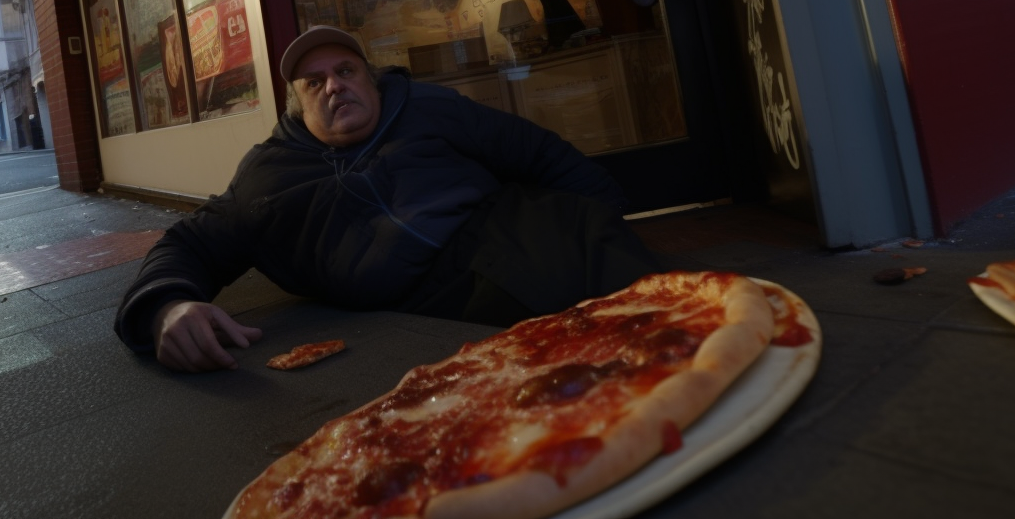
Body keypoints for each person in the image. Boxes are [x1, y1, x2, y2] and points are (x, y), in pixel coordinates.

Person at [114, 26, 662, 371]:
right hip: (424, 311)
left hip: (515, 231)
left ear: (371, 82)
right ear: (297, 107)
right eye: (314, 83)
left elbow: (537, 152)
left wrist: (605, 215)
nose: (334, 86)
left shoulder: (427, 106)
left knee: (665, 328)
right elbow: (190, 243)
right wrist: (167, 307)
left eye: (346, 71)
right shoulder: (268, 175)